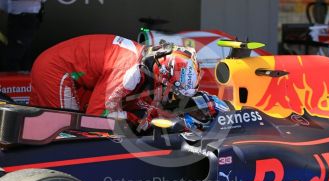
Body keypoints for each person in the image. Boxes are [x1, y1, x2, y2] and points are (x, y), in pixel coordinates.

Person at [30, 34, 207, 131]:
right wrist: (135, 120)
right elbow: (96, 117)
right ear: (162, 75)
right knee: (73, 131)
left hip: (74, 76)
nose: (171, 97)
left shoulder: (143, 61)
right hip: (58, 71)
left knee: (33, 126)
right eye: (172, 92)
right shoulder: (129, 72)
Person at [3, 0, 44, 71]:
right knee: (18, 51)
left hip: (26, 18)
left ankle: (16, 78)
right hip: (16, 17)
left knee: (16, 53)